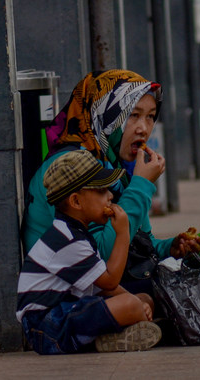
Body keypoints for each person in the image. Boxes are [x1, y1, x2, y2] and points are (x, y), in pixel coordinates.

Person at [22, 70, 200, 274]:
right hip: (62, 294)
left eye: (150, 116)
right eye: (133, 115)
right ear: (105, 115)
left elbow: (140, 241)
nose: (143, 128)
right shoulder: (72, 165)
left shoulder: (112, 164)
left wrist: (171, 248)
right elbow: (103, 257)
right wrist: (141, 185)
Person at [17, 149, 161, 354]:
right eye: (102, 191)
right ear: (76, 202)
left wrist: (138, 302)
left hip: (68, 313)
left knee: (143, 299)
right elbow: (110, 281)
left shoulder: (76, 234)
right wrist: (122, 234)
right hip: (46, 327)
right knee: (131, 303)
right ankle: (104, 337)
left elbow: (104, 287)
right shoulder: (66, 240)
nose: (111, 196)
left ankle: (109, 337)